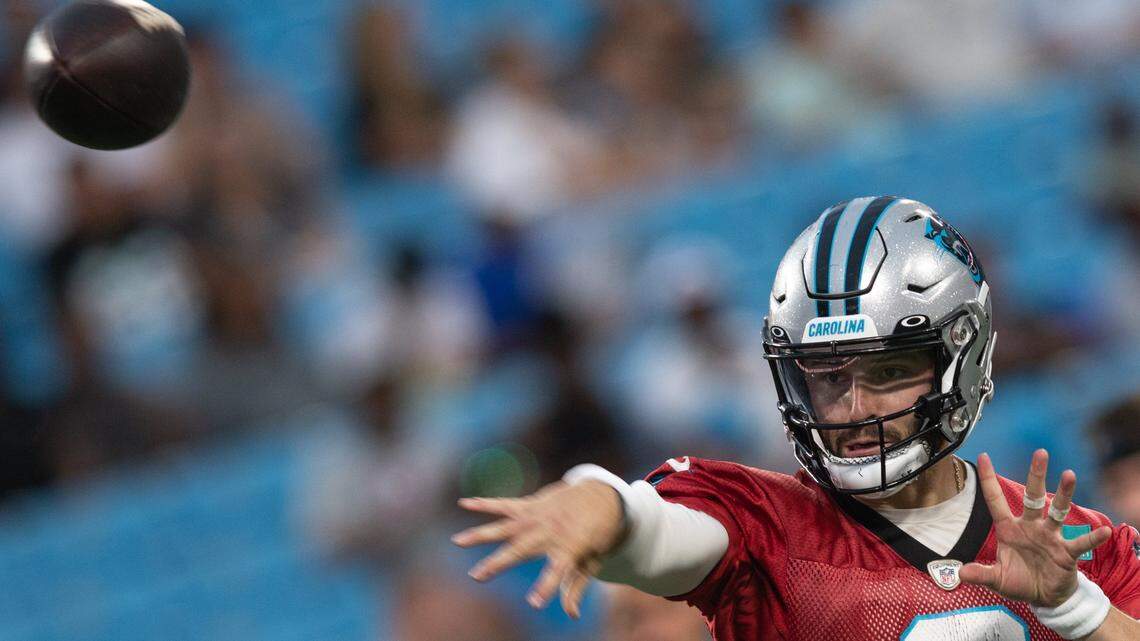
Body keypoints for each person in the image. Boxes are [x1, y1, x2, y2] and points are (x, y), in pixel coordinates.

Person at [453, 196, 1140, 640]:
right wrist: (595, 498)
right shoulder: (763, 523)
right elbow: (649, 525)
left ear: (959, 357)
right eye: (829, 377)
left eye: (888, 372)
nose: (855, 408)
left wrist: (1071, 606)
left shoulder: (1084, 549)